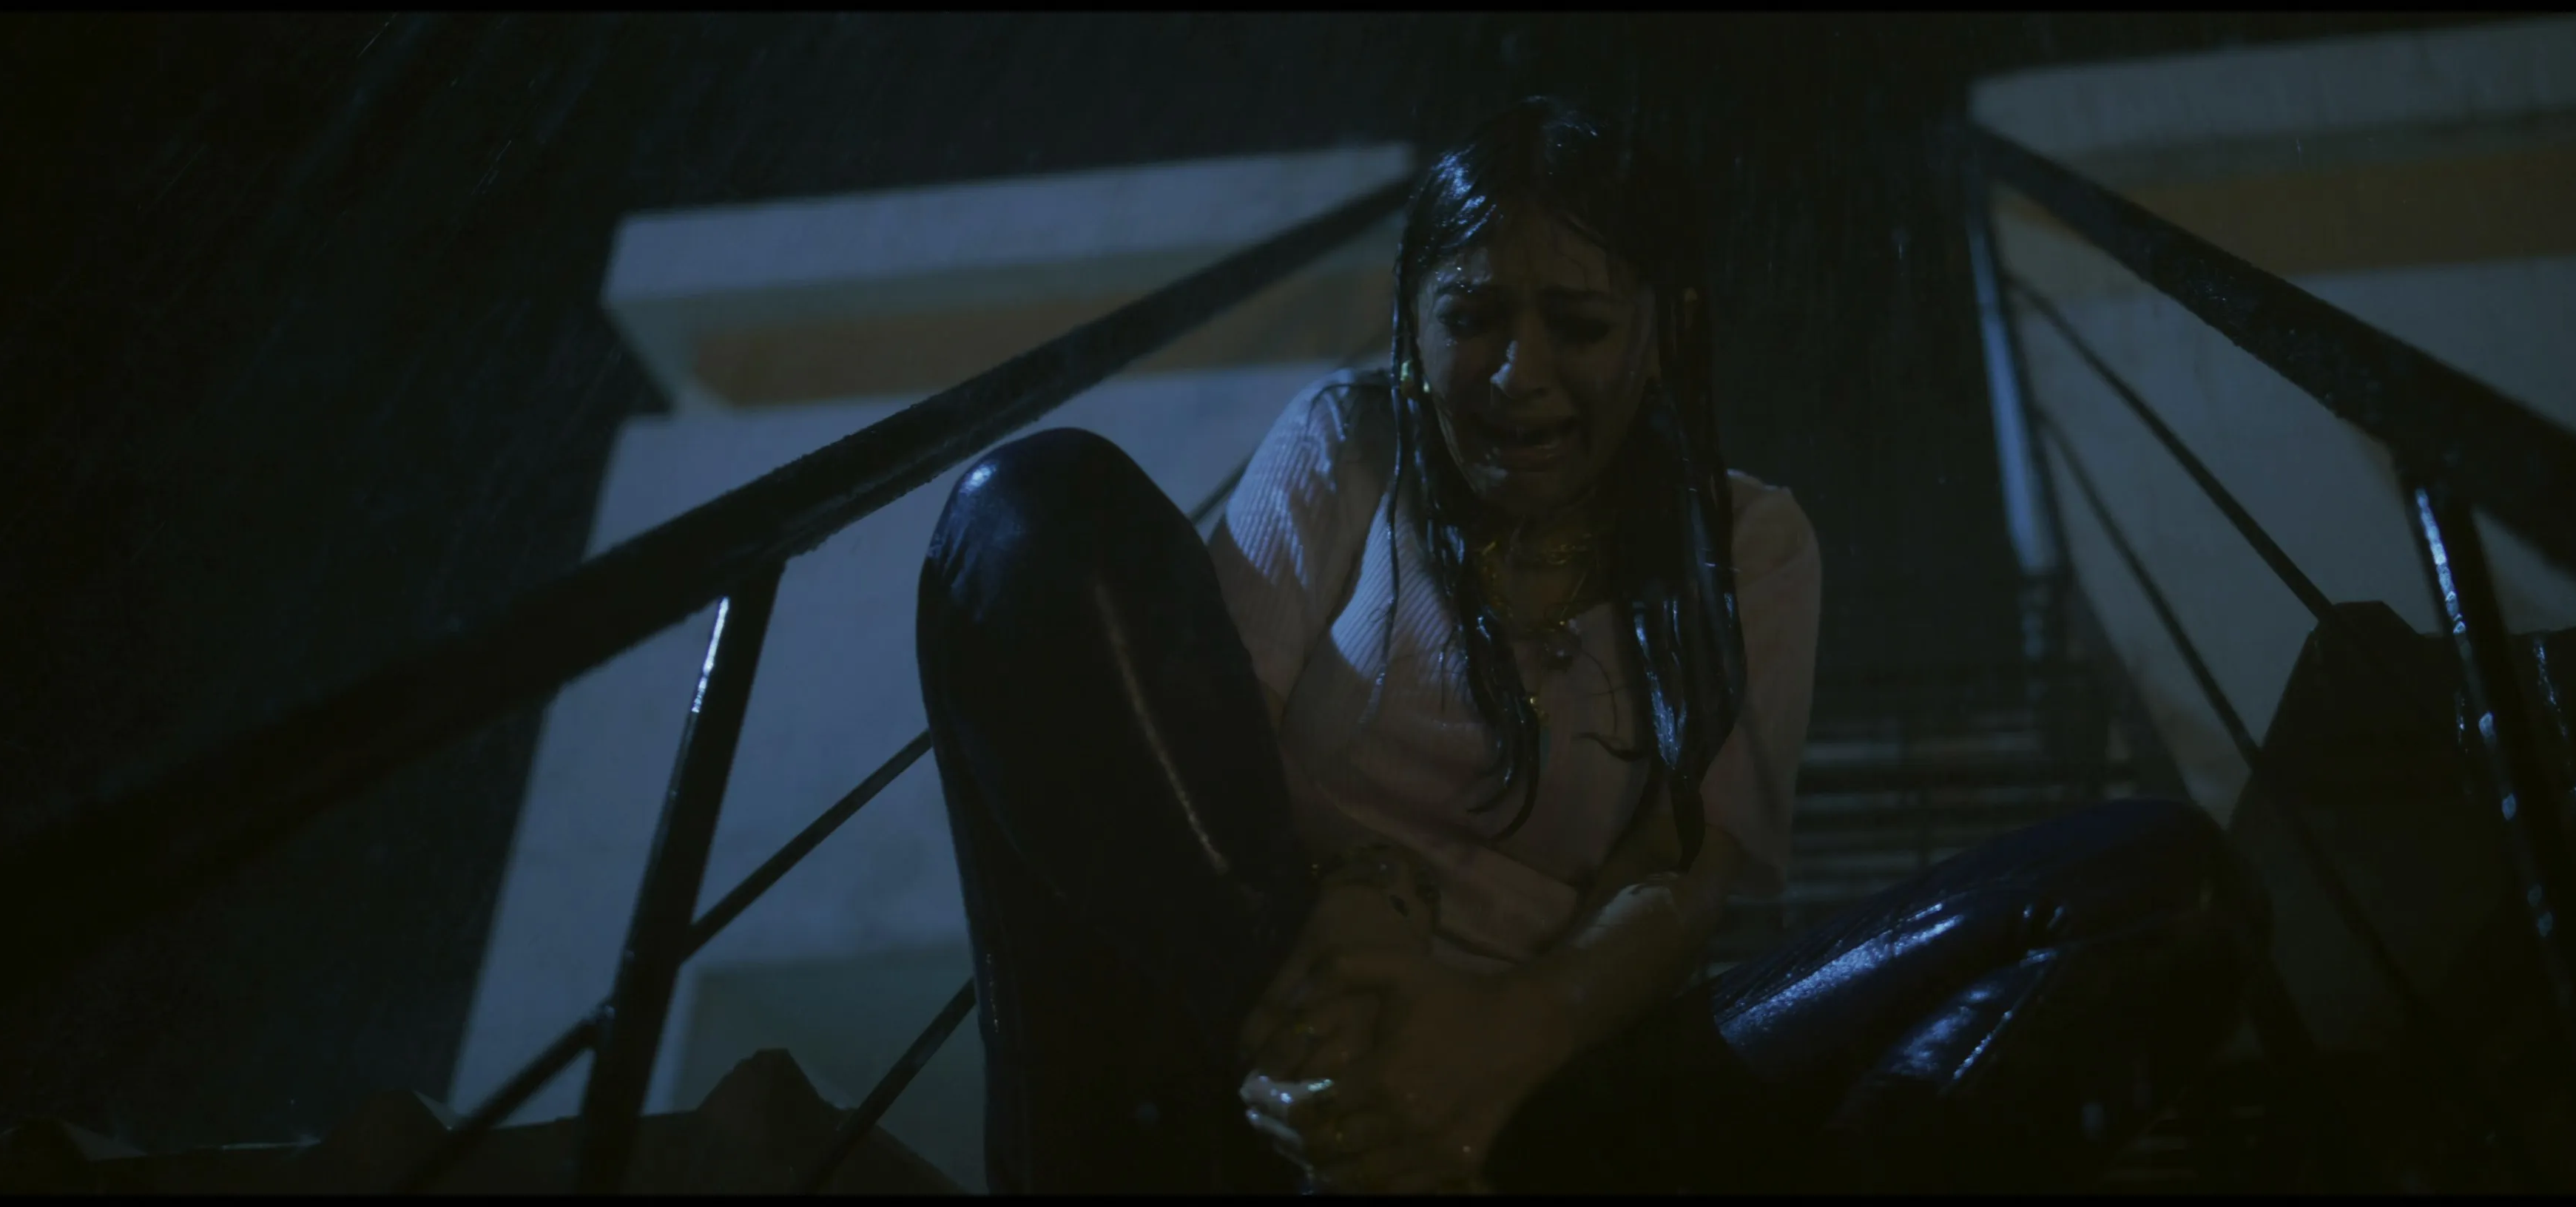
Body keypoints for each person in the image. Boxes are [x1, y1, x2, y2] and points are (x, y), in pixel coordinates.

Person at [911, 97, 2265, 1194]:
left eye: (1578, 323)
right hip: (1245, 1065)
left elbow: (1679, 876)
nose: (1521, 376)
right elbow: (1206, 758)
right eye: (1474, 319)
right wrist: (1352, 916)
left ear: (1663, 335)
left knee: (2161, 888)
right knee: (1029, 510)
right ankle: (1343, 1109)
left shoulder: (1749, 544)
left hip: (1545, 1097)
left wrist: (1492, 1050)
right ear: (1410, 325)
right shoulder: (1345, 442)